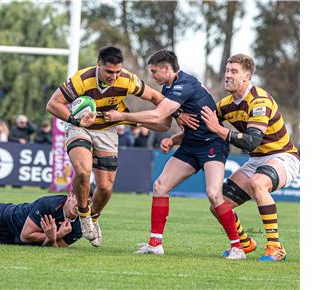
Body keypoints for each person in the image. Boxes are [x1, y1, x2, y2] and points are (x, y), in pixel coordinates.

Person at [104, 49, 244, 259]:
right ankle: (155, 244)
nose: (152, 76)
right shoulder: (170, 86)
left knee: (214, 194)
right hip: (190, 145)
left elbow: (159, 115)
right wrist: (174, 138)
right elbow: (167, 123)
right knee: (160, 186)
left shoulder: (184, 85)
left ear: (166, 69)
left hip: (212, 145)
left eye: (154, 72)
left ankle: (237, 247)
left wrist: (121, 116)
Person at [46, 46, 170, 247]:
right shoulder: (81, 79)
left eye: (117, 72)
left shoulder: (127, 80)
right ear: (99, 65)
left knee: (105, 188)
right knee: (83, 171)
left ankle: (94, 217)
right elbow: (53, 104)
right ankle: (84, 215)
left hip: (108, 130)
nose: (114, 76)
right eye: (109, 71)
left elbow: (157, 98)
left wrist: (174, 111)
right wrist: (75, 120)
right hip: (80, 127)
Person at [181, 53, 300, 261]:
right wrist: (173, 139)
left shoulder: (259, 101)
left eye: (234, 71)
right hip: (257, 160)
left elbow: (252, 141)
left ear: (247, 77)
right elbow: (204, 127)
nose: (228, 75)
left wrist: (219, 130)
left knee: (258, 183)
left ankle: (275, 246)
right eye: (227, 71)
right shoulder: (226, 104)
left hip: (283, 156)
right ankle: (245, 243)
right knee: (218, 204)